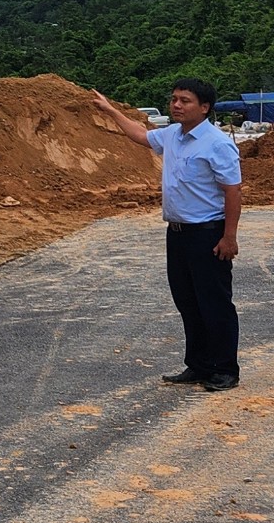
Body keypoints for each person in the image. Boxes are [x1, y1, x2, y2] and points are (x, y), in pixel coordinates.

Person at [90, 79, 243, 391]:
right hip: (177, 234)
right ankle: (198, 365)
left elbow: (233, 191)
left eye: (185, 100)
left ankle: (226, 369)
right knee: (187, 301)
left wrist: (229, 237)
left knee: (215, 303)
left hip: (207, 234)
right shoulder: (172, 135)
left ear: (204, 107)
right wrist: (110, 110)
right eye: (174, 99)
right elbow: (140, 134)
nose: (176, 105)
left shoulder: (216, 143)